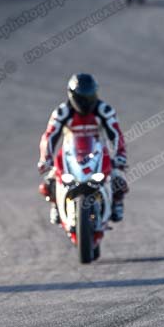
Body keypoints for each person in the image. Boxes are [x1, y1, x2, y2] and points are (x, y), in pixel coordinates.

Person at [38, 74, 128, 224]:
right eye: (82, 98)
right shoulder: (62, 112)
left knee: (119, 179)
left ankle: (117, 202)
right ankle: (55, 204)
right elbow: (49, 136)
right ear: (72, 96)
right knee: (48, 182)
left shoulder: (104, 110)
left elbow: (116, 134)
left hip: (98, 152)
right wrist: (45, 159)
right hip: (70, 153)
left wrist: (120, 156)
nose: (86, 102)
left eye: (90, 96)